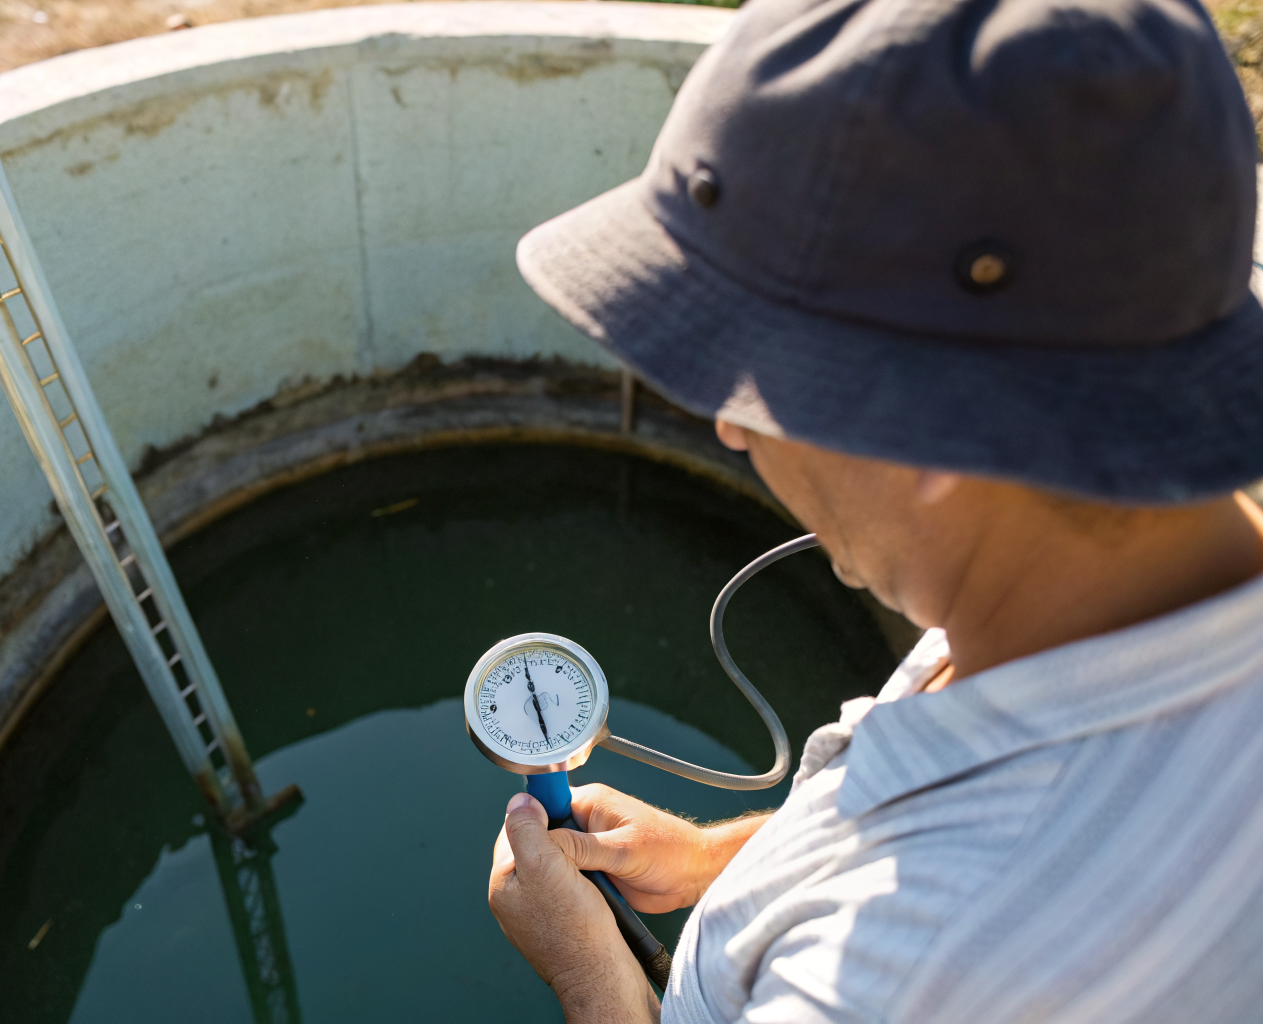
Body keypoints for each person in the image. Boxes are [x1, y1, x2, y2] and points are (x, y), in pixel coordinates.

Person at [484, 0, 1263, 1020]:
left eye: (756, 376)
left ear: (933, 429)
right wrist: (726, 859)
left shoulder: (906, 973)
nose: (728, 427)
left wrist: (591, 973)